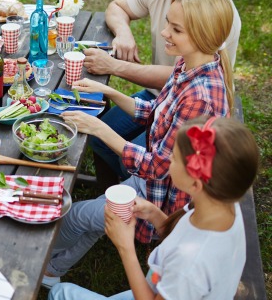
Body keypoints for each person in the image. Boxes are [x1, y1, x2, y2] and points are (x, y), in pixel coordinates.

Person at [42, 0, 234, 288]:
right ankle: (53, 272)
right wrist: (109, 91)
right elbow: (157, 111)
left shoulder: (202, 98)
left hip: (165, 195)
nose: (163, 32)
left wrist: (99, 129)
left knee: (78, 215)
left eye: (175, 28)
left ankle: (36, 260)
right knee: (100, 218)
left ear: (201, 35)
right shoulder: (189, 63)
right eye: (168, 23)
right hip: (151, 181)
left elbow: (159, 167)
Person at [83, 0, 241, 188]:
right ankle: (115, 191)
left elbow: (187, 78)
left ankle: (138, 196)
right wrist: (123, 33)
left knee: (130, 160)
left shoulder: (216, 11)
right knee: (99, 139)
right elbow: (117, 6)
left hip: (191, 109)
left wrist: (114, 66)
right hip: (159, 97)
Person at [48, 116, 259, 299]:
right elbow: (181, 233)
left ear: (195, 184)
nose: (168, 159)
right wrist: (154, 214)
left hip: (159, 292)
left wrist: (125, 247)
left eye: (174, 158)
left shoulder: (190, 264)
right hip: (164, 288)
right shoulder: (221, 204)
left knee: (59, 293)